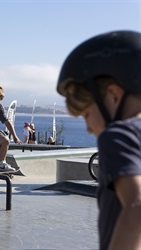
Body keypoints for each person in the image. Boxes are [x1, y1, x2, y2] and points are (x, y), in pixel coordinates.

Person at [56, 30, 141, 250]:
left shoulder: (119, 136)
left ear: (114, 95)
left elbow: (137, 206)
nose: (88, 128)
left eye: (86, 114)